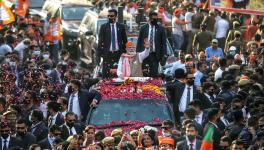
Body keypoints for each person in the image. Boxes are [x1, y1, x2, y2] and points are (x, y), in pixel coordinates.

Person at [97, 9, 128, 78]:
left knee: (119, 74)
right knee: (106, 75)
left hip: (118, 54)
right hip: (107, 54)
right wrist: (98, 56)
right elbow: (100, 42)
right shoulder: (104, 27)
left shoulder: (121, 27)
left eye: (112, 16)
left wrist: (125, 53)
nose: (110, 17)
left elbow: (125, 41)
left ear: (116, 16)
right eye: (108, 16)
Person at [136, 11, 167, 77]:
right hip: (144, 55)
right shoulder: (143, 28)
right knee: (144, 73)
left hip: (155, 55)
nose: (155, 20)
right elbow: (139, 42)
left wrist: (164, 54)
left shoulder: (161, 29)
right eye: (153, 19)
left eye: (156, 19)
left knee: (154, 74)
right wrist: (137, 54)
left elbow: (164, 43)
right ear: (149, 18)